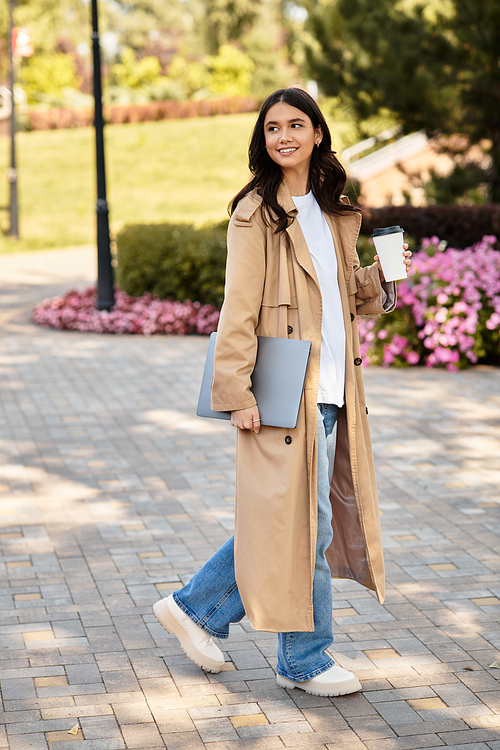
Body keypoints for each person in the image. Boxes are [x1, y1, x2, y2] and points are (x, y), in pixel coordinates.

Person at [154, 87, 411, 697]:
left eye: (296, 125)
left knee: (293, 520)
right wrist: (237, 393)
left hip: (331, 387)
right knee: (302, 524)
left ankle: (196, 608)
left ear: (317, 133)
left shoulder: (334, 210)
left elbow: (343, 294)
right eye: (273, 128)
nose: (284, 136)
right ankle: (304, 659)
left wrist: (385, 278)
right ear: (263, 140)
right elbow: (238, 309)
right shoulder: (256, 212)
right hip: (281, 388)